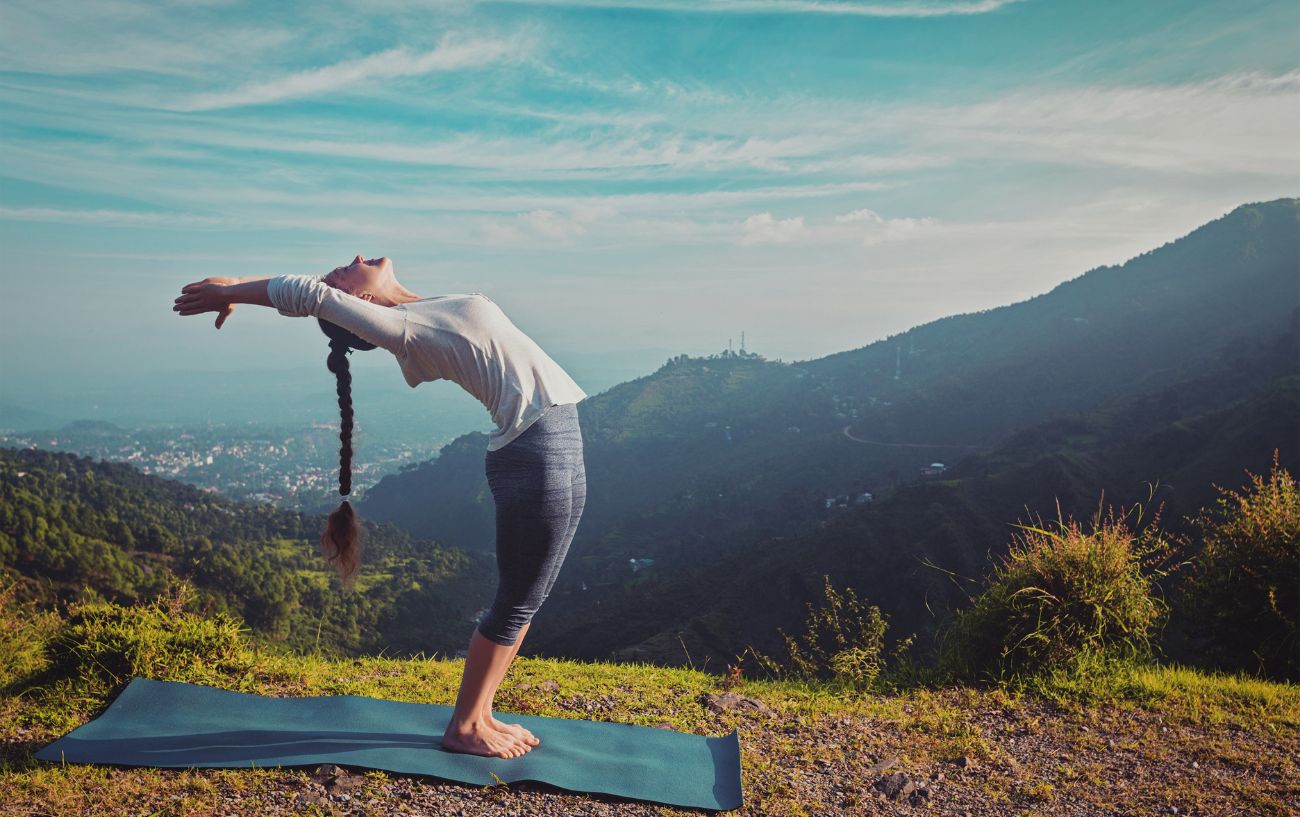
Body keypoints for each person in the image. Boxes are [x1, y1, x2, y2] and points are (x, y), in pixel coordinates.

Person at [172, 255, 588, 759]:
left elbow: (322, 294)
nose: (350, 262)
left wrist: (248, 290)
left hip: (554, 443)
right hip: (534, 452)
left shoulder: (423, 308)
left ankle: (481, 713)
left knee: (530, 596)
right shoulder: (405, 328)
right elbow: (313, 296)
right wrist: (233, 288)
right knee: (517, 600)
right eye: (341, 273)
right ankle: (464, 726)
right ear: (360, 303)